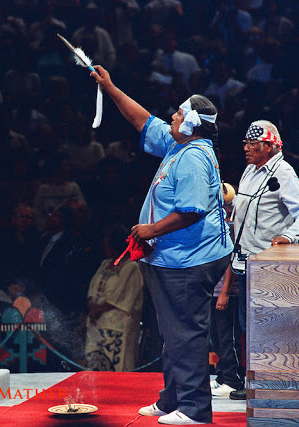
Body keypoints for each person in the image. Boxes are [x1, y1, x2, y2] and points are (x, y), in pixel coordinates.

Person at [90, 65, 234, 424]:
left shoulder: (197, 157)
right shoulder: (178, 143)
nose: (172, 115)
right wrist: (110, 87)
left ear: (192, 123)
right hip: (174, 257)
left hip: (189, 260)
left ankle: (195, 409)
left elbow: (192, 211)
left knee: (185, 334)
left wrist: (150, 230)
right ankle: (172, 400)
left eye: (180, 112)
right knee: (173, 333)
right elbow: (143, 120)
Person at [226, 120, 299, 400]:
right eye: (245, 143)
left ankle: (270, 384)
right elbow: (243, 208)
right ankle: (253, 383)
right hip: (245, 262)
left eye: (252, 144)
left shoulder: (283, 172)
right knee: (248, 327)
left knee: (269, 327)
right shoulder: (250, 170)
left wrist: (288, 236)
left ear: (268, 145)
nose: (246, 148)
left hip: (269, 268)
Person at [85, 225, 143, 372]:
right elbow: (92, 287)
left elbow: (124, 298)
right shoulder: (105, 264)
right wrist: (92, 306)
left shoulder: (131, 267)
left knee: (117, 366)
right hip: (96, 323)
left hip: (118, 325)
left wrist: (99, 309)